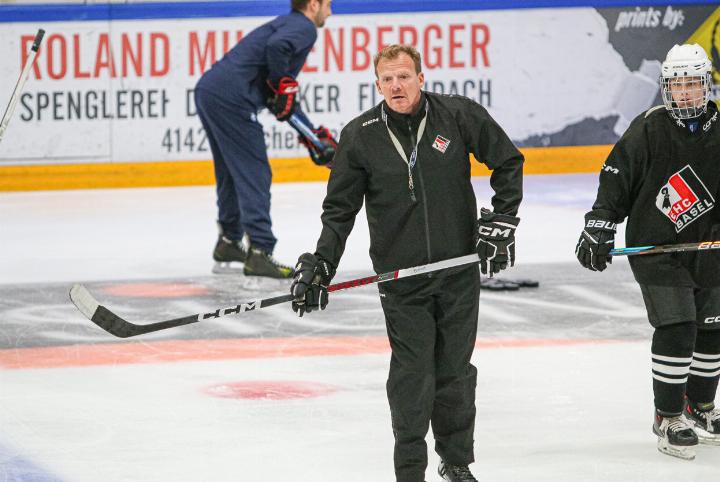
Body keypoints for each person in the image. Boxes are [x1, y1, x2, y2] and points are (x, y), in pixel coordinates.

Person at [290, 44, 524, 482]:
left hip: (457, 273)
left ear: (421, 77)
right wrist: (322, 263)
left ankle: (456, 463)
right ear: (377, 85)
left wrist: (503, 220)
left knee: (454, 372)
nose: (396, 85)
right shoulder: (360, 135)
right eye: (387, 79)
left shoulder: (457, 116)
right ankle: (410, 470)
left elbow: (508, 162)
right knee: (413, 376)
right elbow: (339, 211)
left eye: (404, 76)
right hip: (402, 282)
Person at [576, 43, 720, 460]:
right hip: (657, 246)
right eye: (677, 85)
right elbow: (616, 180)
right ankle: (668, 415)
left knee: (712, 327)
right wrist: (600, 222)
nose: (685, 93)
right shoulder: (648, 128)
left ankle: (701, 406)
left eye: (692, 84)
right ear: (666, 88)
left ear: (706, 85)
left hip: (709, 246)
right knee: (677, 326)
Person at [194, 0, 335, 278]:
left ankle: (229, 241)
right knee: (255, 172)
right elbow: (278, 59)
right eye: (328, 4)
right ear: (313, 4)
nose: (330, 11)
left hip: (210, 90)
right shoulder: (304, 27)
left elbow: (280, 100)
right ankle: (260, 251)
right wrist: (283, 83)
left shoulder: (287, 23)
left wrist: (314, 139)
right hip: (232, 99)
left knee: (231, 171)